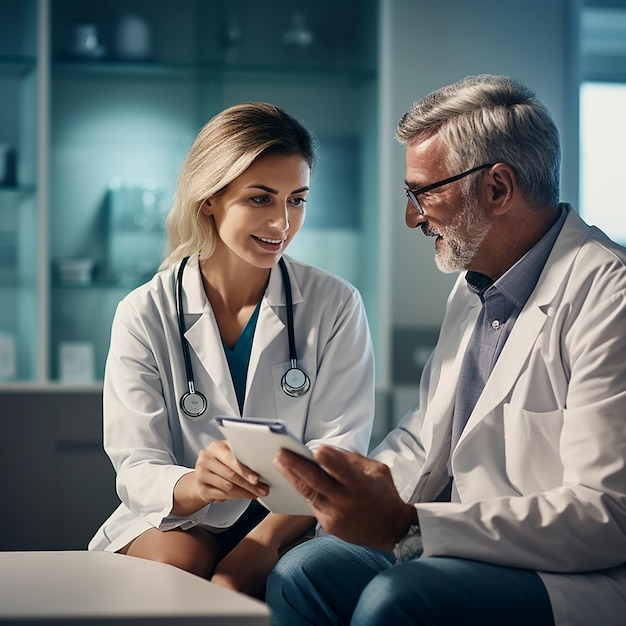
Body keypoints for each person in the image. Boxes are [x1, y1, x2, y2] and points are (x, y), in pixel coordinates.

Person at [265, 75, 626, 626]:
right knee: (302, 573)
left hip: (562, 571)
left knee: (398, 601)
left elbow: (609, 514)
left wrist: (408, 528)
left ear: (498, 189)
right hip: (451, 540)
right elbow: (423, 439)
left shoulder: (609, 293)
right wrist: (341, 494)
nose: (412, 216)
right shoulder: (475, 285)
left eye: (423, 192)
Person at [88, 102, 375, 599]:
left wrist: (261, 544)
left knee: (269, 576)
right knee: (185, 563)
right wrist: (199, 484)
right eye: (261, 199)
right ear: (209, 200)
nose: (283, 222)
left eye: (297, 200)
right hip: (181, 517)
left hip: (291, 520)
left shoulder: (335, 304)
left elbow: (340, 451)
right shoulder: (145, 312)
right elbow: (137, 465)